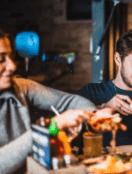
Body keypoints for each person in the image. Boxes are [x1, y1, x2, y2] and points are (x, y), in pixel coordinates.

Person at [0, 29, 113, 174]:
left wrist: (96, 115)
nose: (12, 66)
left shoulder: (21, 87)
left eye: (10, 56)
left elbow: (70, 101)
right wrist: (53, 126)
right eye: (1, 59)